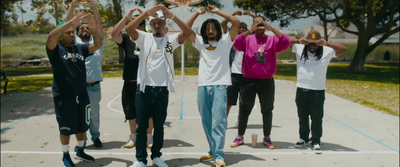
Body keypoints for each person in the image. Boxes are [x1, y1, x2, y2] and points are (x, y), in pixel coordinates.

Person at [125, 5, 192, 167]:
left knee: (159, 127)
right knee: (141, 128)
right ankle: (140, 159)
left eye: (159, 23)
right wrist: (145, 15)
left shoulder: (171, 40)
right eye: (153, 23)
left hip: (162, 90)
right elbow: (128, 29)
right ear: (150, 25)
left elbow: (188, 32)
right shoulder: (143, 37)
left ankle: (156, 156)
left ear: (164, 25)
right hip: (144, 89)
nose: (156, 25)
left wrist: (173, 16)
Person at [46, 11, 102, 167]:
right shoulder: (55, 50)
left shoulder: (79, 48)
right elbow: (50, 37)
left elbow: (97, 44)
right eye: (68, 33)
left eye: (72, 32)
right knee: (65, 128)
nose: (72, 34)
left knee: (81, 126)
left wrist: (94, 27)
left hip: (82, 95)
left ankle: (80, 150)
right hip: (64, 96)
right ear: (61, 36)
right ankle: (65, 154)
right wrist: (71, 22)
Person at [186, 5, 240, 167]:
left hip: (220, 86)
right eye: (208, 28)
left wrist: (217, 12)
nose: (210, 31)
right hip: (203, 86)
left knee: (218, 122)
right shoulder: (200, 42)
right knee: (207, 122)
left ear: (218, 30)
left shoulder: (226, 40)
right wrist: (196, 13)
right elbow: (186, 28)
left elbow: (236, 22)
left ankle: (219, 154)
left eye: (213, 28)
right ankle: (212, 150)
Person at [231, 16, 291, 149]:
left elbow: (286, 42)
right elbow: (236, 42)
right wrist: (249, 30)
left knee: (267, 110)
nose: (259, 26)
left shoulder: (272, 39)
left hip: (266, 81)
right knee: (245, 108)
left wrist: (272, 29)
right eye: (256, 23)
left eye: (261, 23)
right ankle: (240, 136)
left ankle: (267, 137)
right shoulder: (247, 39)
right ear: (253, 25)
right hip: (248, 80)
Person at [290, 30, 347, 154]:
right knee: (303, 116)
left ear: (319, 43)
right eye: (310, 43)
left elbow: (343, 49)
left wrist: (327, 43)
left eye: (315, 44)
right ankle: (303, 138)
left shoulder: (326, 50)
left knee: (316, 117)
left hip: (318, 91)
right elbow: (283, 42)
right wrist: (300, 40)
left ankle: (316, 140)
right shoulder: (300, 48)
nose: (312, 46)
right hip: (302, 89)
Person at [110, 8, 154, 149]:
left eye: (140, 23)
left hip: (146, 83)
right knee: (130, 111)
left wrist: (148, 16)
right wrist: (125, 18)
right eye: (134, 23)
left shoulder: (149, 38)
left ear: (144, 25)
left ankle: (148, 137)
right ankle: (133, 136)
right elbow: (113, 34)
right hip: (130, 82)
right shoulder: (127, 39)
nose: (137, 26)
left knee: (148, 112)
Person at [65, 0, 104, 148]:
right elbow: (67, 26)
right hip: (78, 87)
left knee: (94, 115)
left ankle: (95, 137)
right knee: (80, 115)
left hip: (94, 86)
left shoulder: (97, 43)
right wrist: (72, 6)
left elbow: (99, 27)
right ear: (78, 31)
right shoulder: (74, 45)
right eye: (82, 27)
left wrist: (94, 6)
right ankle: (83, 141)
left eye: (88, 27)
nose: (85, 29)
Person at [221, 10, 254, 127]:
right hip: (233, 74)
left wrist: (251, 15)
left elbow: (259, 24)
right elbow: (223, 24)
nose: (242, 29)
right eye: (240, 27)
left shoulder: (250, 39)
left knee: (243, 101)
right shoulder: (232, 37)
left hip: (246, 74)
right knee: (229, 100)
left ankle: (240, 120)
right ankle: (224, 120)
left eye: (245, 28)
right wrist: (233, 14)